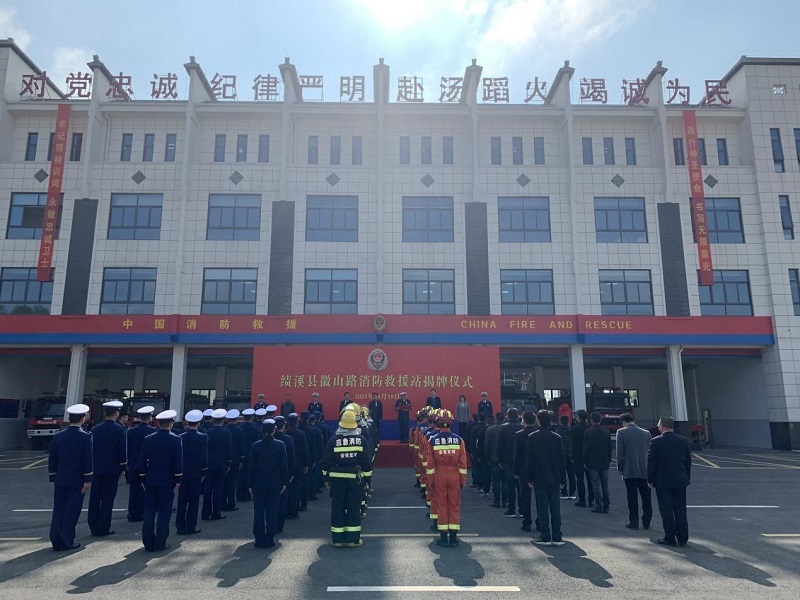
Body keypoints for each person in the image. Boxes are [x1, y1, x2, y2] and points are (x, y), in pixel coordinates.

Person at [320, 407, 373, 548]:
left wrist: (326, 479)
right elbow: (366, 464)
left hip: (336, 481)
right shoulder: (361, 440)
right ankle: (353, 539)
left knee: (337, 507)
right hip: (355, 481)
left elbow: (325, 462)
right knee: (353, 508)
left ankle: (337, 539)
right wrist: (367, 481)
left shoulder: (333, 441)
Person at [48, 403, 93, 551]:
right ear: (83, 418)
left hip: (61, 479)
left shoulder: (58, 436)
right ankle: (67, 541)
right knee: (72, 511)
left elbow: (52, 459)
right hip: (77, 480)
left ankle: (55, 540)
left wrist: (53, 478)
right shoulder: (85, 437)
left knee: (58, 509)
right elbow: (87, 460)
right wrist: (87, 479)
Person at [139, 409, 183, 552]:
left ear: (158, 423)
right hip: (167, 480)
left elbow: (142, 461)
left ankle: (148, 542)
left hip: (151, 479)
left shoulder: (148, 439)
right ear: (171, 423)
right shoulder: (175, 439)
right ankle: (160, 542)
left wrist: (142, 478)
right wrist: (178, 479)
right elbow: (178, 462)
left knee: (149, 511)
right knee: (164, 512)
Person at [647, 416, 691, 546]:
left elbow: (652, 463)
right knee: (680, 509)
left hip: (663, 481)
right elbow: (688, 462)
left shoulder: (655, 441)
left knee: (666, 510)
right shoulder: (683, 441)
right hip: (680, 480)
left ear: (662, 426)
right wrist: (686, 477)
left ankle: (669, 537)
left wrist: (650, 479)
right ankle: (683, 537)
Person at [425, 410, 467, 547]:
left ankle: (443, 538)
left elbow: (430, 465)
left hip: (439, 475)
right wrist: (462, 481)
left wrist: (431, 482)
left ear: (437, 423)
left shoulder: (432, 440)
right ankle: (453, 538)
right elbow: (463, 464)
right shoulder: (459, 440)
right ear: (451, 423)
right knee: (454, 505)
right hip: (454, 475)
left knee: (441, 505)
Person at [526, 410, 566, 546]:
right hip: (554, 477)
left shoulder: (532, 437)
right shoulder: (556, 437)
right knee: (555, 507)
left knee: (542, 507)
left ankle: (545, 535)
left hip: (538, 476)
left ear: (538, 421)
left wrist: (529, 478)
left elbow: (529, 460)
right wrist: (562, 479)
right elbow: (561, 460)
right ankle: (557, 535)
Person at [88, 399, 127, 537]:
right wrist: (123, 468)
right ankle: (104, 527)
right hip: (112, 469)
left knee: (94, 498)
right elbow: (122, 451)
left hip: (96, 468)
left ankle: (93, 525)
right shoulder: (120, 429)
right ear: (116, 413)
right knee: (107, 499)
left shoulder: (94, 429)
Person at [248, 419, 289, 549]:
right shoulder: (280, 445)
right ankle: (270, 538)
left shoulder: (255, 446)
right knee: (272, 511)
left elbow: (252, 467)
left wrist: (250, 484)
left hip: (259, 483)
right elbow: (283, 466)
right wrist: (284, 482)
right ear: (274, 430)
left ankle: (259, 539)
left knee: (258, 511)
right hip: (275, 483)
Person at [616, 413, 653, 530]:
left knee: (632, 497)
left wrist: (620, 467)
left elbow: (620, 453)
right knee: (646, 497)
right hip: (645, 470)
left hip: (629, 469)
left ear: (623, 422)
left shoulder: (621, 432)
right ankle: (647, 521)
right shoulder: (646, 433)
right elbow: (650, 452)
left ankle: (634, 521)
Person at [176, 409, 208, 535]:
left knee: (182, 500)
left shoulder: (180, 437)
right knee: (193, 501)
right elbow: (203, 457)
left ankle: (180, 525)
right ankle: (191, 525)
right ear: (199, 423)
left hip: (183, 472)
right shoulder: (202, 437)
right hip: (196, 473)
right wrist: (204, 472)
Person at [126, 405, 157, 522]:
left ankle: (132, 512)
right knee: (144, 489)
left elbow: (128, 449)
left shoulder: (130, 431)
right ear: (150, 417)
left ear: (139, 417)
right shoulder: (153, 431)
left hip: (133, 464)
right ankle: (141, 512)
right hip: (147, 465)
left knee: (133, 489)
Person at [201, 408, 232, 521]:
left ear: (213, 420)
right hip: (221, 464)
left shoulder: (207, 433)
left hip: (209, 463)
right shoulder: (227, 433)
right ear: (223, 420)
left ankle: (205, 512)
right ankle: (216, 512)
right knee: (218, 489)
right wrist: (229, 463)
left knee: (207, 489)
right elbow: (228, 450)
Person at [514, 410, 538, 532]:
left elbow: (517, 455)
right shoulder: (538, 433)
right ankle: (540, 521)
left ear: (523, 420)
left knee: (525, 496)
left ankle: (527, 521)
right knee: (540, 497)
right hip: (538, 468)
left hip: (524, 468)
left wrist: (516, 470)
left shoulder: (519, 435)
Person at [497, 407, 523, 517]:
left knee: (510, 485)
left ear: (507, 416)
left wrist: (500, 460)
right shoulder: (522, 427)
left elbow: (500, 446)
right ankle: (522, 510)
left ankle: (511, 509)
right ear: (517, 415)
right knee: (521, 487)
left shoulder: (503, 428)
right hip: (521, 460)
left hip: (507, 460)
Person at [584, 411, 612, 514]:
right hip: (604, 460)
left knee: (595, 484)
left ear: (591, 420)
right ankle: (606, 505)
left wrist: (585, 460)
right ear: (600, 420)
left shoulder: (588, 432)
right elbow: (609, 448)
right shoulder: (606, 432)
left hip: (592, 461)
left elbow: (586, 449)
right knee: (605, 484)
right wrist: (608, 459)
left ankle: (598, 505)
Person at [272, 416, 296, 533]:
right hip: (284, 474)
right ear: (284, 426)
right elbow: (291, 458)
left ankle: (271, 524)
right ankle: (279, 525)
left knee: (270, 502)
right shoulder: (288, 439)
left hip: (271, 475)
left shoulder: (268, 439)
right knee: (282, 500)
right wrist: (291, 473)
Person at [285, 413, 309, 519]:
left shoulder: (285, 434)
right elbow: (304, 451)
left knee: (287, 488)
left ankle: (286, 511)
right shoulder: (301, 434)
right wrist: (306, 464)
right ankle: (294, 512)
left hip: (287, 464)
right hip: (298, 464)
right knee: (296, 488)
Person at [222, 409, 244, 512]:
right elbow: (241, 447)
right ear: (236, 419)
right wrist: (241, 460)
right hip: (235, 460)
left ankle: (222, 503)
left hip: (224, 460)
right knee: (232, 484)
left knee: (223, 483)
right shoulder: (240, 431)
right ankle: (231, 504)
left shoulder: (224, 430)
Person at [571, 409, 593, 508]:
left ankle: (582, 499)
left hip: (578, 456)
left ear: (578, 417)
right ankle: (591, 499)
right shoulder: (589, 428)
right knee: (590, 479)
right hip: (588, 456)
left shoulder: (574, 429)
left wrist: (572, 456)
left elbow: (573, 443)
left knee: (580, 479)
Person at [237, 408, 260, 502]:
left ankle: (239, 494)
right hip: (251, 454)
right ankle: (248, 493)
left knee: (240, 475)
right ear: (252, 417)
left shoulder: (239, 428)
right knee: (249, 474)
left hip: (240, 454)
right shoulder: (256, 429)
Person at [484, 411, 505, 508]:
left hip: (494, 458)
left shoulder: (490, 429)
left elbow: (487, 446)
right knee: (505, 481)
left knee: (496, 481)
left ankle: (497, 500)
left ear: (496, 418)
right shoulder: (506, 428)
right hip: (505, 459)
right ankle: (505, 501)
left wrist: (487, 458)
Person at [555, 415, 576, 499]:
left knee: (562, 473)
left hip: (561, 454)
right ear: (568, 421)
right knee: (572, 474)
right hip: (570, 454)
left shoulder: (557, 432)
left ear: (560, 422)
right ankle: (572, 492)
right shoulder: (572, 431)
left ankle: (564, 491)